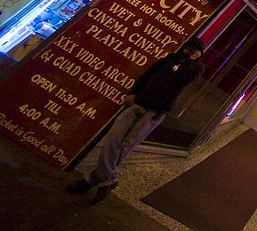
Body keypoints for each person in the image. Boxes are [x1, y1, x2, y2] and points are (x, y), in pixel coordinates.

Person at [66, 37, 205, 203]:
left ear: (198, 53)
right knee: (112, 139)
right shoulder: (169, 59)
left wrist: (191, 60)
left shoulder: (196, 68)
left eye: (193, 50)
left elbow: (183, 79)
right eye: (187, 47)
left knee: (126, 146)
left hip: (154, 112)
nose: (188, 51)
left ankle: (91, 181)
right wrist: (133, 93)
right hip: (138, 103)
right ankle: (109, 180)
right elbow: (147, 76)